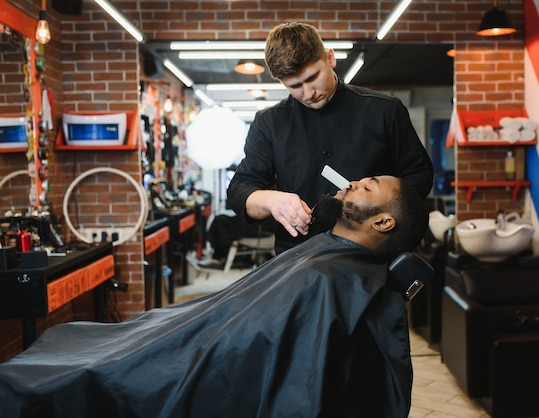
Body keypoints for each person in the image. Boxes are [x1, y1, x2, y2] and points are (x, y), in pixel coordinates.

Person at [0, 175, 428, 418]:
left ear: (385, 222)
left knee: (78, 372)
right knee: (86, 344)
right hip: (191, 335)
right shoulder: (328, 263)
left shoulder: (332, 279)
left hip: (197, 355)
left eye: (367, 187)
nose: (353, 183)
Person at [227, 22, 433, 254]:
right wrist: (272, 201)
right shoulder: (269, 123)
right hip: (299, 257)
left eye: (313, 77)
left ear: (330, 58)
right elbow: (239, 190)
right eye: (294, 86)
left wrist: (371, 203)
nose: (308, 93)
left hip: (372, 254)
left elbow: (420, 176)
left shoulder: (384, 111)